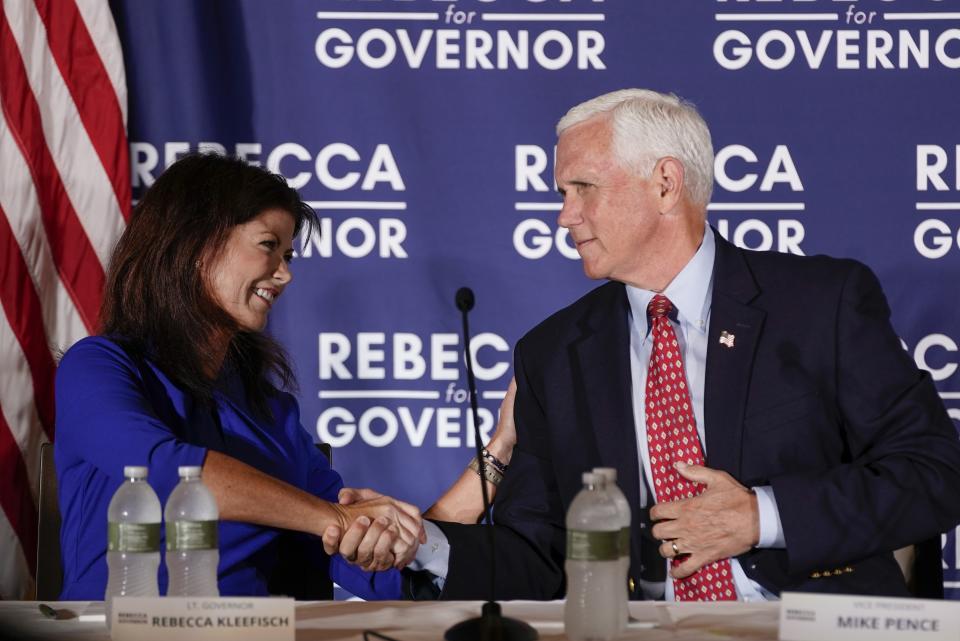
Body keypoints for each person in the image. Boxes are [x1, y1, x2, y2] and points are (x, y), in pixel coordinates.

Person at [335, 88, 960, 600]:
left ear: (665, 184)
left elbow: (937, 474)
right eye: (561, 193)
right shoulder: (554, 353)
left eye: (583, 188)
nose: (563, 216)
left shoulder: (819, 303)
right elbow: (542, 553)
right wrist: (425, 543)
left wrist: (761, 516)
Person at [55, 153, 503, 600]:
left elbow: (361, 555)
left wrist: (501, 447)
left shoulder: (272, 411)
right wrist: (335, 518)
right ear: (194, 244)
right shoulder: (97, 366)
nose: (286, 273)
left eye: (288, 254)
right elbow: (169, 472)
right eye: (268, 245)